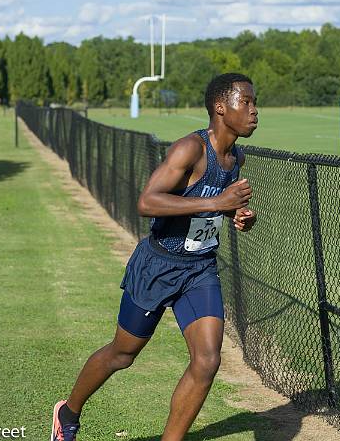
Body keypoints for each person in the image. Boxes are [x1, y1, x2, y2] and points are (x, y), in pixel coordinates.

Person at [50, 73, 259, 441]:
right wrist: (218, 202)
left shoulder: (234, 157)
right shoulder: (190, 150)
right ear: (221, 108)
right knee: (123, 353)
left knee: (207, 360)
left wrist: (234, 214)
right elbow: (147, 202)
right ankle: (68, 412)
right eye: (247, 103)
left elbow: (209, 203)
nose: (255, 112)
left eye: (255, 103)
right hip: (158, 265)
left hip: (199, 270)